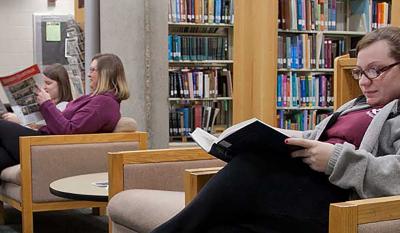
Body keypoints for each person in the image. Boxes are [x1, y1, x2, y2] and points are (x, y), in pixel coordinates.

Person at [151, 26, 400, 233]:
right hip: (301, 186)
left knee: (250, 166)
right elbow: (316, 137)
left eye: (375, 70)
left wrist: (336, 161)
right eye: (359, 72)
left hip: (335, 200)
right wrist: (271, 134)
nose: (364, 81)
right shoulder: (355, 105)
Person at [0, 53, 129, 172]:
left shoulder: (104, 103)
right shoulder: (97, 99)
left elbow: (69, 131)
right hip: (46, 141)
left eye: (93, 70)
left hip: (48, 146)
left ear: (106, 73)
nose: (89, 75)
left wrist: (46, 103)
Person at [2, 63, 73, 127]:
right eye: (43, 83)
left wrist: (19, 121)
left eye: (48, 83)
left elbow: (45, 127)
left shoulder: (64, 106)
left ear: (61, 85)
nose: (44, 87)